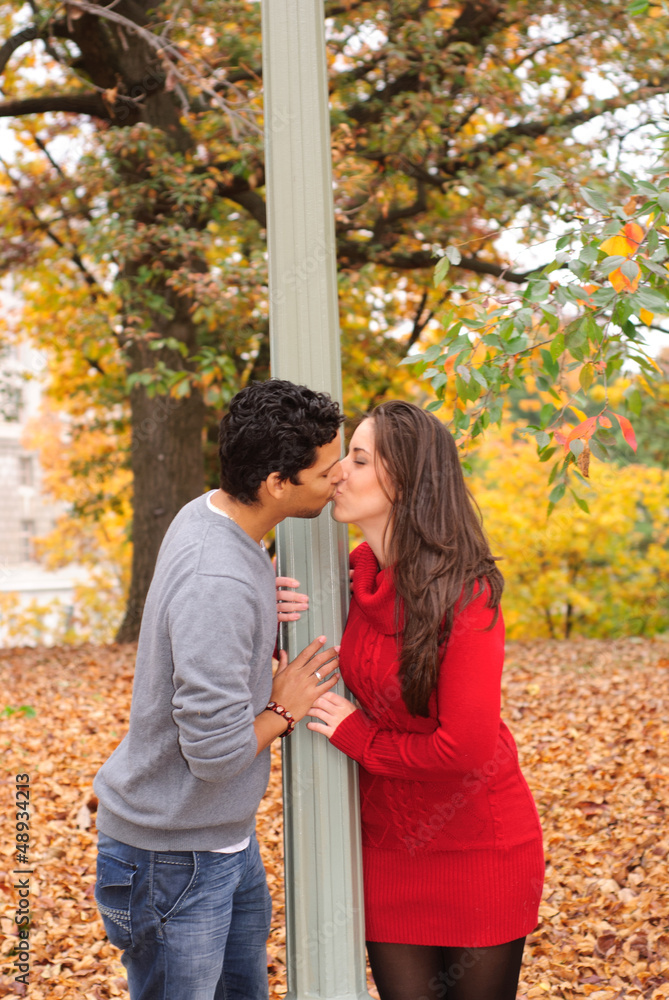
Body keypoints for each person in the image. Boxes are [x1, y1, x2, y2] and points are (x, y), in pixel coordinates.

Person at [94, 378, 343, 1000]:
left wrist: (257, 603)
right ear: (277, 483)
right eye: (325, 472)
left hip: (218, 841)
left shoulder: (210, 513)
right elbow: (214, 754)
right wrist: (284, 706)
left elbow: (204, 622)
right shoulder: (219, 580)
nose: (338, 479)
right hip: (173, 858)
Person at [307, 400, 544, 1000]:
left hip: (479, 850)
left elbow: (464, 749)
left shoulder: (468, 594)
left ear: (406, 480)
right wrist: (280, 606)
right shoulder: (351, 583)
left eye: (358, 459)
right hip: (388, 851)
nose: (338, 471)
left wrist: (358, 738)